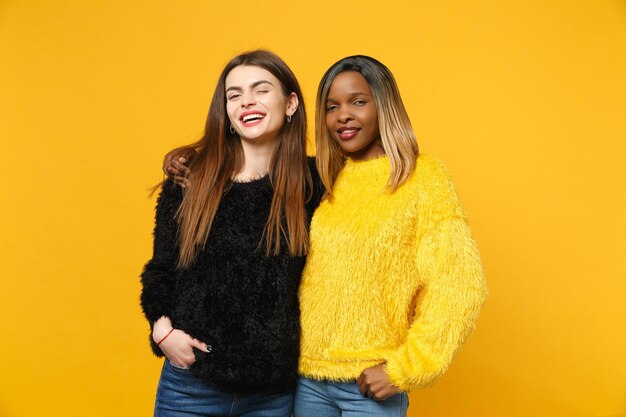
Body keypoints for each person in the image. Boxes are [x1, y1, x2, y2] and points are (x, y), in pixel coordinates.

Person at [164, 55, 487, 417]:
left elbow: (460, 286)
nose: (343, 115)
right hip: (305, 381)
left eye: (358, 102)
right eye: (332, 107)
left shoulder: (422, 178)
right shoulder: (325, 178)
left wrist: (406, 369)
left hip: (367, 383)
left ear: (385, 106)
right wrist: (194, 158)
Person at [140, 49, 322, 417]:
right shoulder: (190, 178)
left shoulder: (314, 184)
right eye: (234, 95)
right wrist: (162, 333)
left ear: (290, 103)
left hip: (274, 393)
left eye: (260, 90)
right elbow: (161, 269)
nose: (246, 102)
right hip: (190, 385)